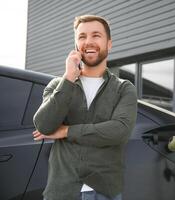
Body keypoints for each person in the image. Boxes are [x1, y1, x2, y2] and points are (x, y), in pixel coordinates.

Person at [33, 15, 137, 200]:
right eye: (82, 37)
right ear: (76, 45)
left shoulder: (124, 88)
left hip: (106, 192)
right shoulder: (58, 85)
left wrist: (66, 131)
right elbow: (44, 126)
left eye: (96, 35)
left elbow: (119, 131)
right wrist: (68, 78)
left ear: (109, 44)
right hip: (61, 191)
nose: (88, 42)